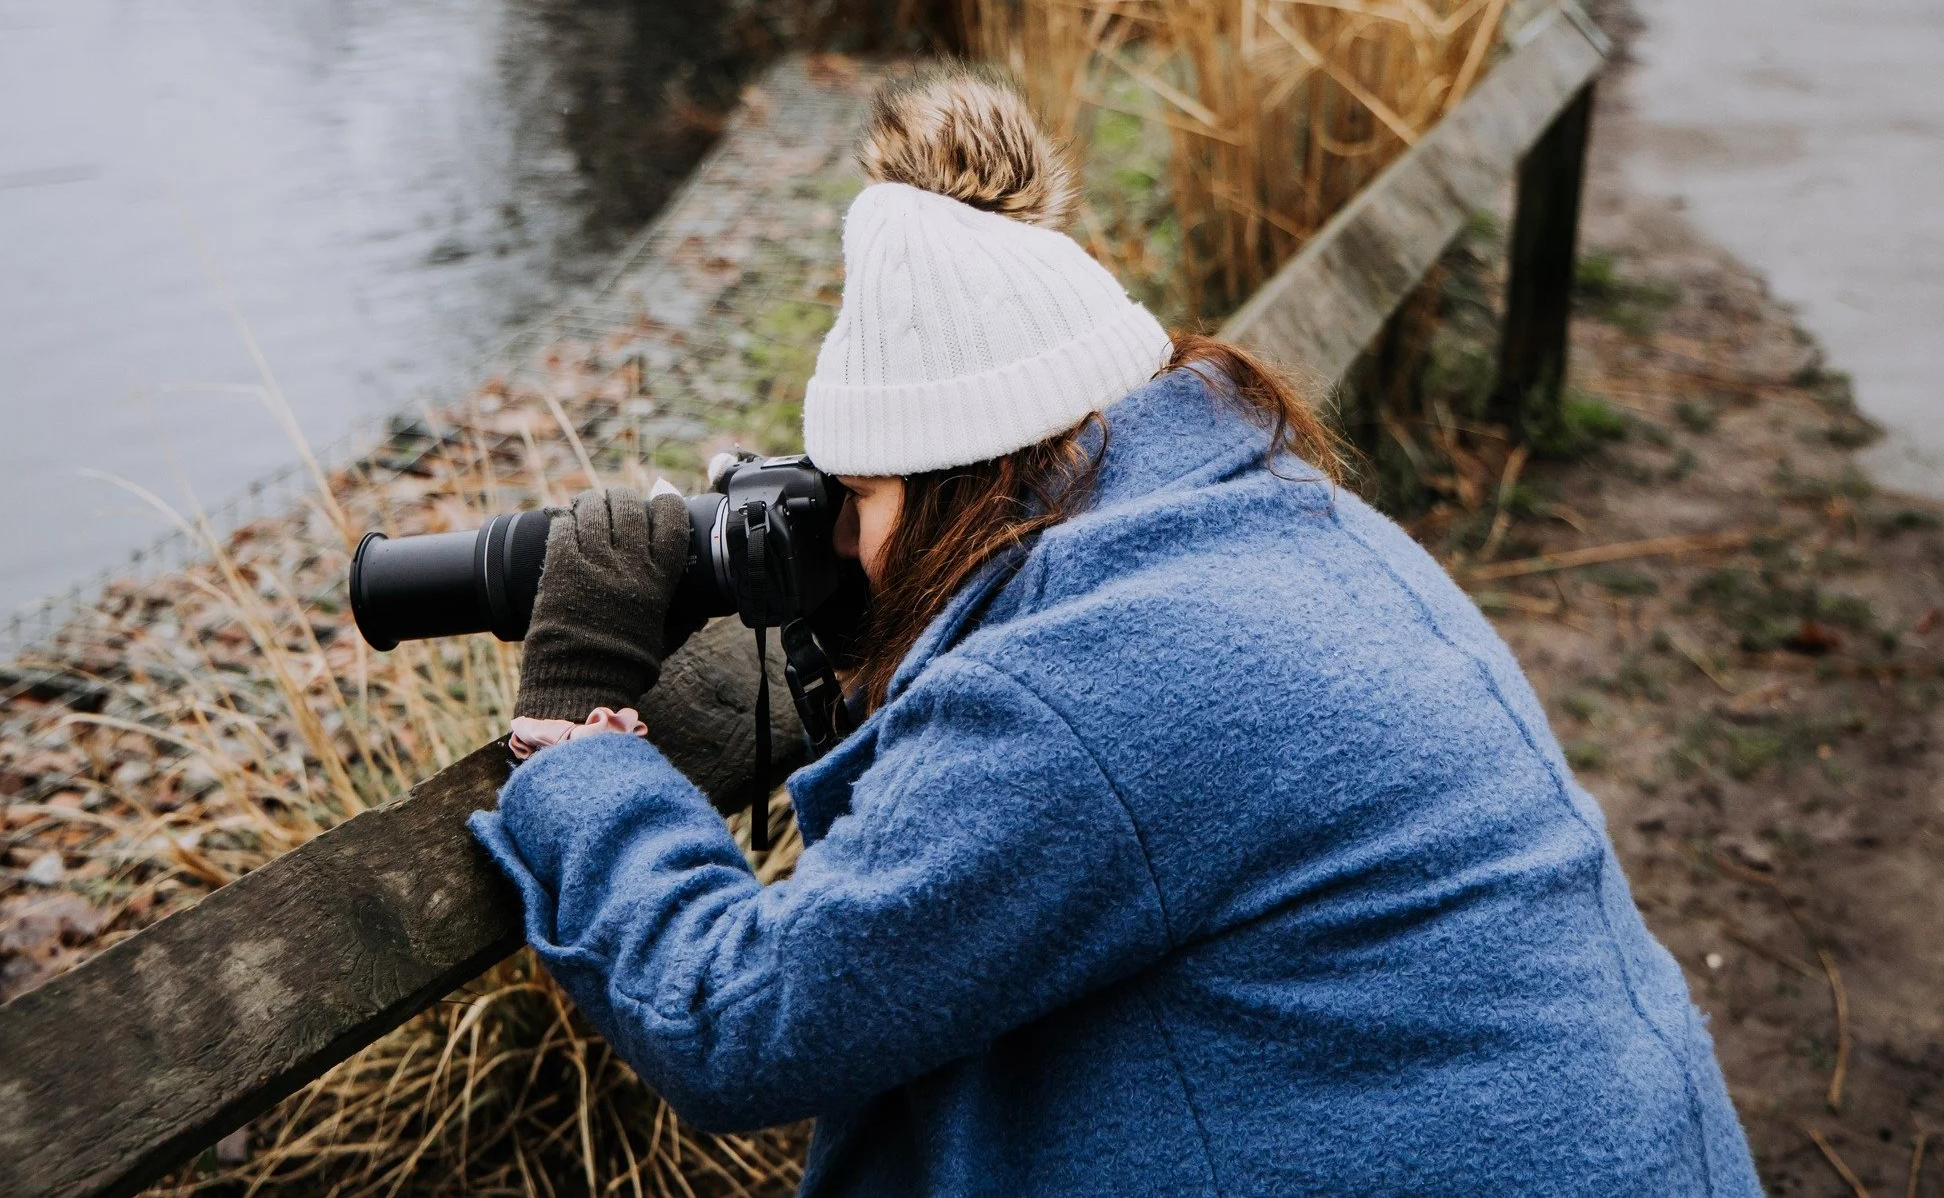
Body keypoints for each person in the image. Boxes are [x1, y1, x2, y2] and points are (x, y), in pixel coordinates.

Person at [468, 68, 1763, 1196]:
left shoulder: (1086, 691)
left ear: (957, 484)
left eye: (856, 501)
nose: (847, 545)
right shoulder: (1289, 529)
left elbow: (737, 1023)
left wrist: (577, 723)